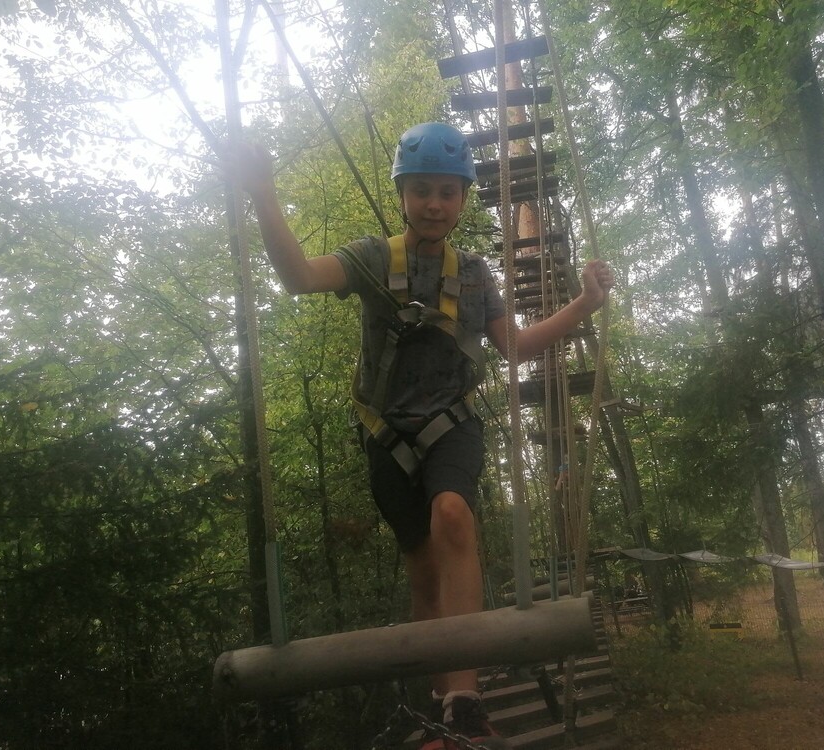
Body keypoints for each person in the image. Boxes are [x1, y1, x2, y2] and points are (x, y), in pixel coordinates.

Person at [226, 122, 613, 748]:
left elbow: (515, 346)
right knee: (423, 571)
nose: (435, 204)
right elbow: (299, 276)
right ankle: (443, 704)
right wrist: (262, 191)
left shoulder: (475, 274)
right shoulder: (373, 259)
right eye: (422, 190)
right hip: (386, 435)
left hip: (453, 425)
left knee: (453, 514)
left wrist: (583, 305)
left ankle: (464, 699)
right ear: (403, 194)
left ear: (462, 199)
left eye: (447, 192)